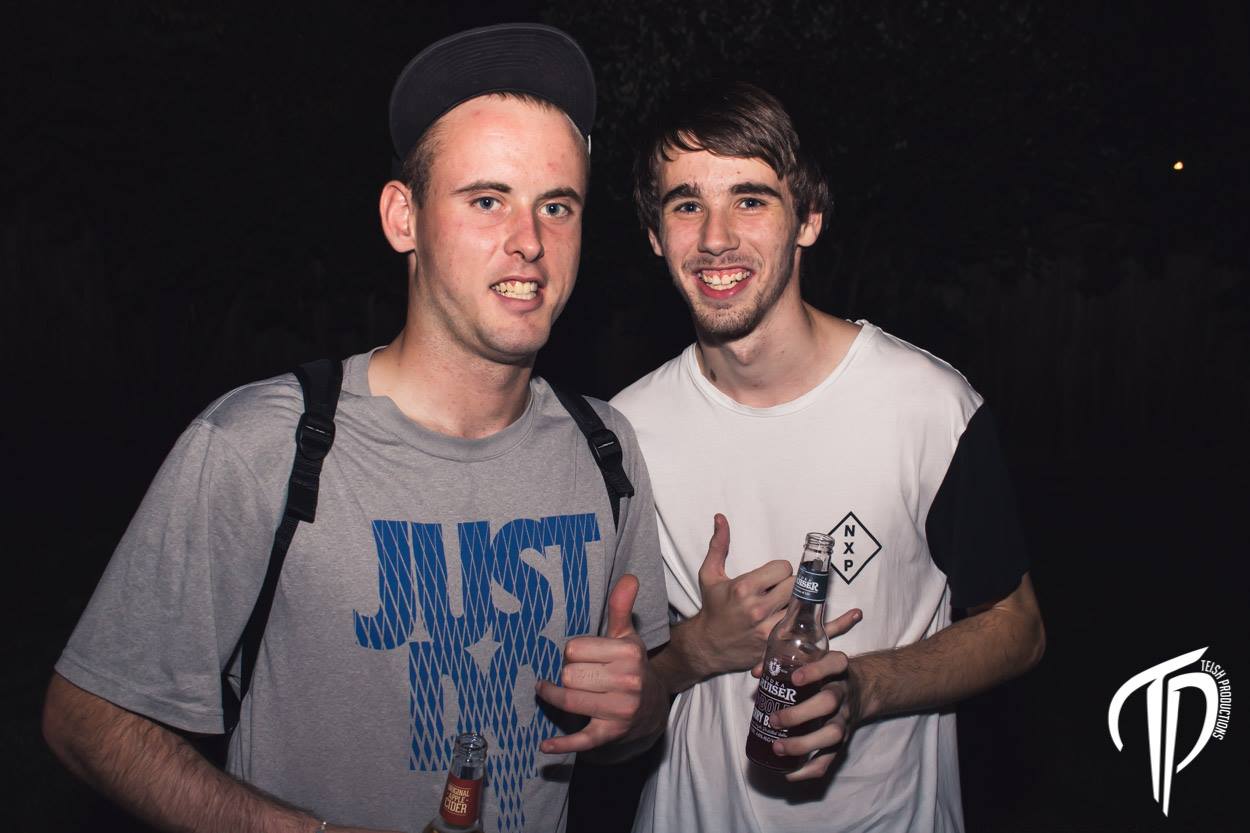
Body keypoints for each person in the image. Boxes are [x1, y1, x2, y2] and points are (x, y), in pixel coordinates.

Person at [42, 24, 670, 833]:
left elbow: (631, 727)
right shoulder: (262, 448)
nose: (529, 242)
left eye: (557, 206)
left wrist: (638, 707)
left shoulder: (606, 450)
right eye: (487, 200)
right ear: (403, 217)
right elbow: (88, 720)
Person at [612, 81, 1046, 833]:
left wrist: (865, 686)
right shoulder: (624, 433)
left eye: (750, 199)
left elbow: (1018, 626)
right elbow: (611, 715)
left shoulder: (929, 407)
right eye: (686, 205)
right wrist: (694, 650)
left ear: (807, 218)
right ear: (655, 234)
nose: (715, 237)